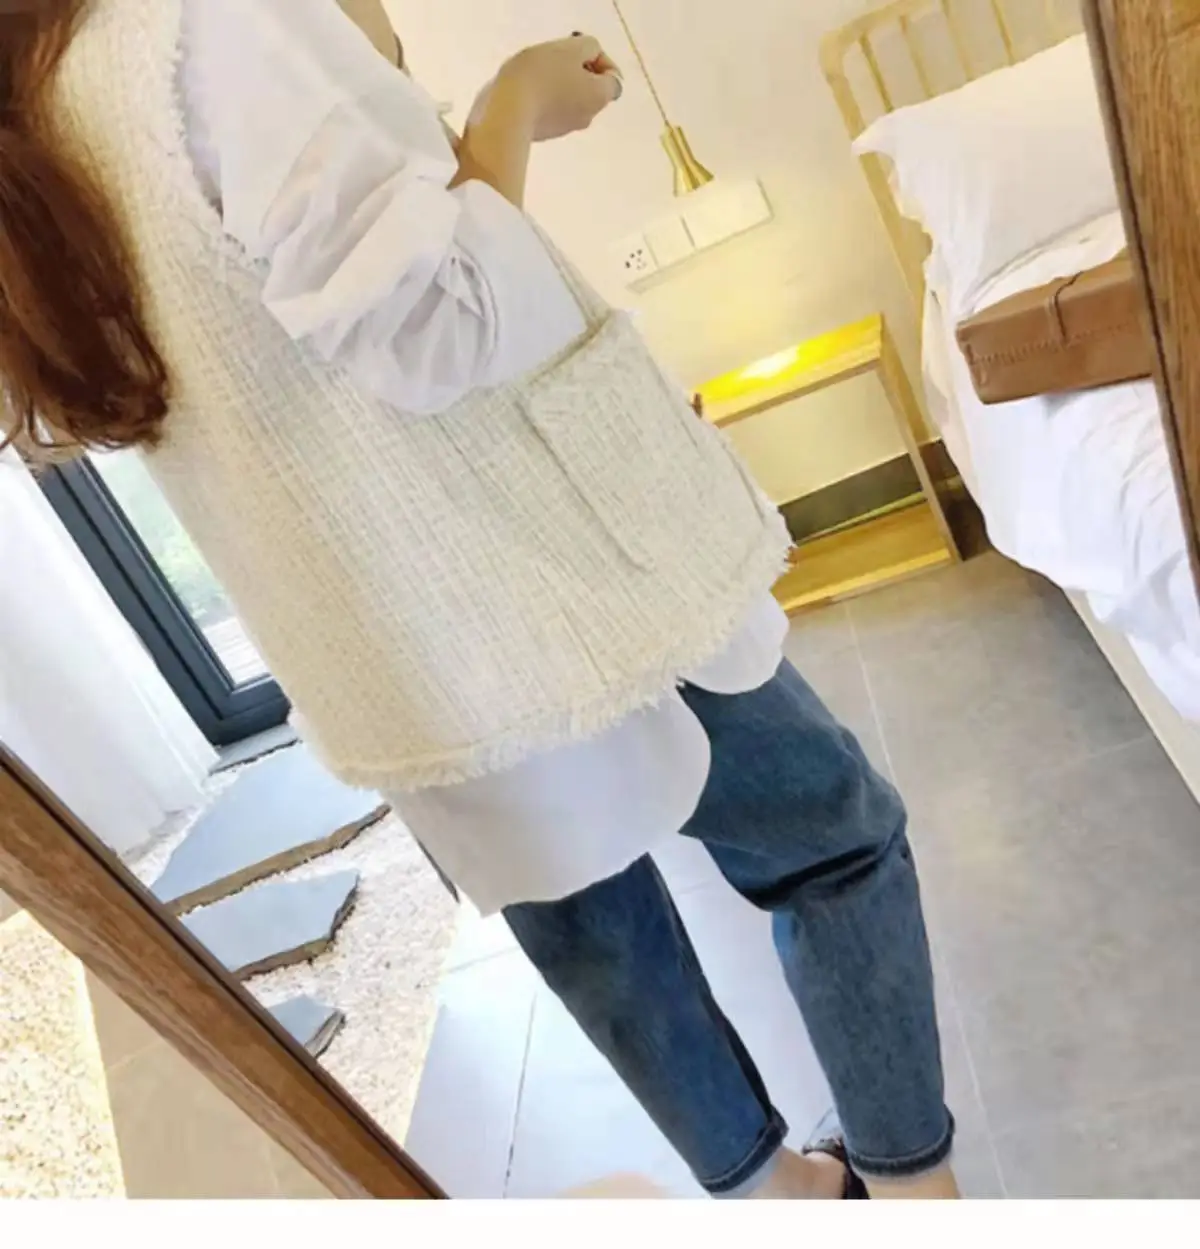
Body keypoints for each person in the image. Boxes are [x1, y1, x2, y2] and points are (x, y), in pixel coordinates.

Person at [0, 0, 958, 1199]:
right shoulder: (210, 26)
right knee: (830, 836)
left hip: (388, 645)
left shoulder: (43, 97)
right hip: (549, 570)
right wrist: (518, 103)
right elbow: (438, 325)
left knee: (596, 935)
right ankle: (917, 1198)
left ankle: (781, 1197)